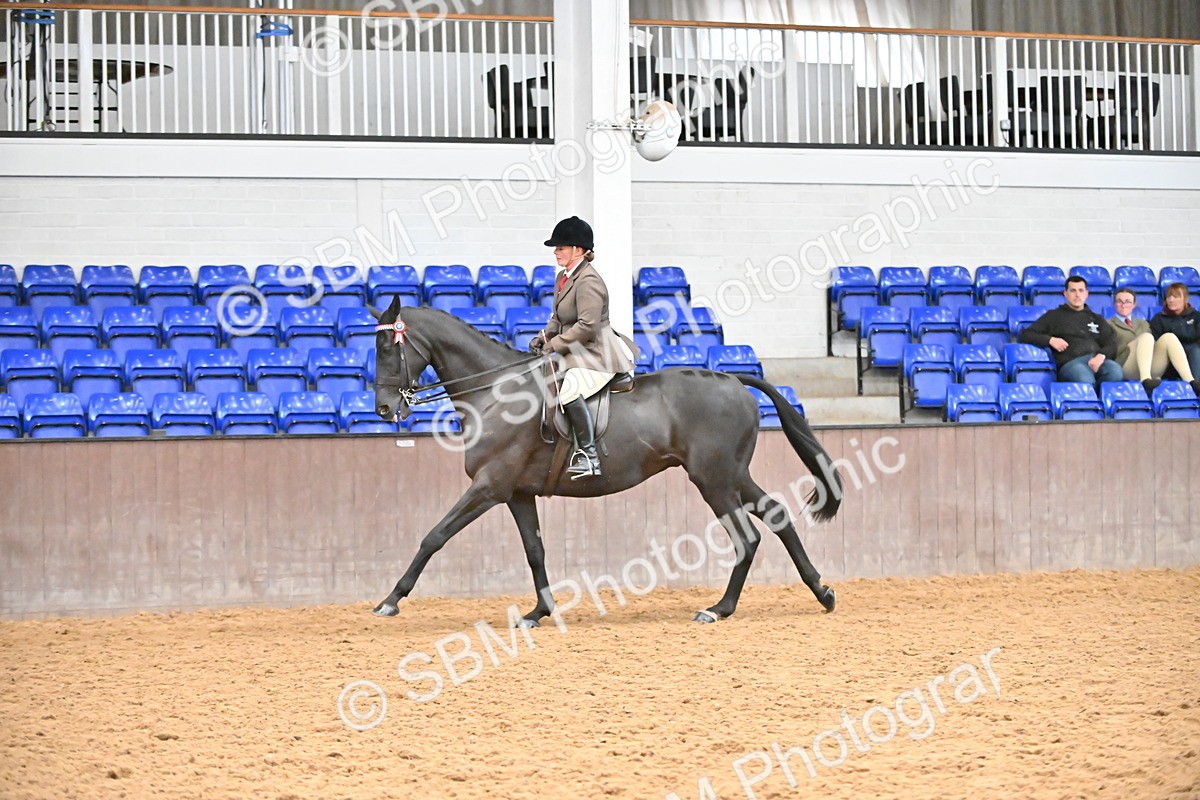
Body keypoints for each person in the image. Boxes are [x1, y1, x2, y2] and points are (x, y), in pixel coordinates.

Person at [528, 216, 637, 479]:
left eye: (561, 247)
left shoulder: (589, 281)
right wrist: (543, 336)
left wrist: (554, 345)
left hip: (598, 355)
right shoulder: (563, 277)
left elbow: (586, 326)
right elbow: (558, 318)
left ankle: (589, 457)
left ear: (578, 249)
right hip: (577, 352)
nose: (555, 252)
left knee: (568, 392)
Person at [1018, 276, 1123, 389]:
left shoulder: (1097, 318)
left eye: (1081, 290)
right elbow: (1026, 334)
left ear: (1087, 294)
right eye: (1073, 291)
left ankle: (1101, 404)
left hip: (1096, 359)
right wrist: (1050, 340)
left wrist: (1101, 356)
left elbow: (1111, 342)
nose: (1077, 295)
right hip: (1070, 364)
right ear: (1065, 294)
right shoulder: (1053, 316)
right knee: (1085, 378)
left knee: (1116, 372)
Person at [1106, 288, 1198, 394]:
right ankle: (1145, 381)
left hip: (1149, 366)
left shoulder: (1143, 323)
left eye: (1128, 301)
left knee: (1169, 337)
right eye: (1119, 301)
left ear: (1134, 304)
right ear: (1114, 304)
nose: (1123, 305)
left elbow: (1151, 345)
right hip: (1125, 365)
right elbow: (1108, 349)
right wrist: (1130, 345)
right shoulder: (1108, 324)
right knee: (1146, 337)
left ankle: (1190, 381)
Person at [1149, 281, 1200, 395]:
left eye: (1176, 296)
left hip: (1193, 357)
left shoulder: (1196, 317)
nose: (1171, 300)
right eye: (1168, 296)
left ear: (1185, 299)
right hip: (1169, 362)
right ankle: (1196, 387)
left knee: (1195, 350)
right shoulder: (1159, 319)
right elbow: (1155, 342)